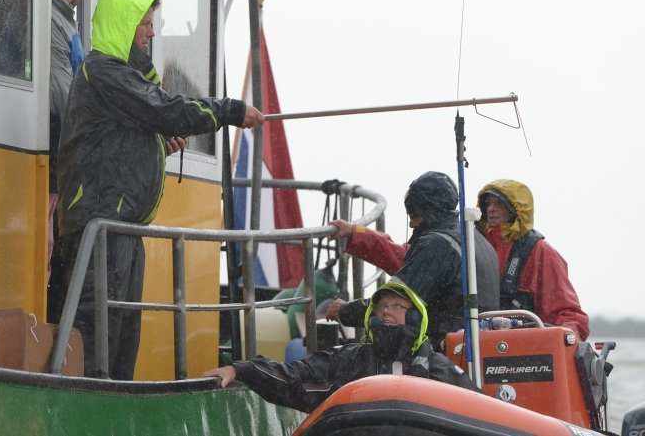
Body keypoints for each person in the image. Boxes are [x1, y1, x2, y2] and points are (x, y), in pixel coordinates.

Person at [56, 0, 264, 379]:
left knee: (121, 336)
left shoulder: (117, 77)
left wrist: (157, 148)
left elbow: (116, 141)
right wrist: (230, 110)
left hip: (120, 227)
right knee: (96, 333)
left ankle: (113, 408)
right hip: (100, 227)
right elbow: (164, 108)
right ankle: (85, 405)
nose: (151, 33)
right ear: (124, 25)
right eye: (146, 24)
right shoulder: (105, 73)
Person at [203, 283, 478, 412]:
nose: (386, 313)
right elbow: (295, 377)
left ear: (416, 317)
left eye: (396, 306)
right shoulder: (349, 359)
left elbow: (482, 412)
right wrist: (242, 370)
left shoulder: (440, 369)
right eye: (382, 306)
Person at [325, 171, 499, 349]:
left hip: (444, 351)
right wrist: (356, 233)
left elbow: (393, 306)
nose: (411, 224)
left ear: (427, 211)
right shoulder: (475, 239)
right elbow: (403, 258)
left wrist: (345, 311)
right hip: (481, 345)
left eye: (413, 214)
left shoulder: (436, 244)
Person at [476, 179, 589, 339]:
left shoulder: (539, 251)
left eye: (499, 203)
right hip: (479, 343)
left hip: (526, 348)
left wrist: (568, 337)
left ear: (516, 210)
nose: (491, 209)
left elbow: (567, 311)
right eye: (488, 203)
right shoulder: (474, 246)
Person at [47, 0, 92, 322]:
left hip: (64, 155)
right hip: (54, 155)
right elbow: (62, 95)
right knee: (48, 247)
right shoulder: (51, 21)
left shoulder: (64, 19)